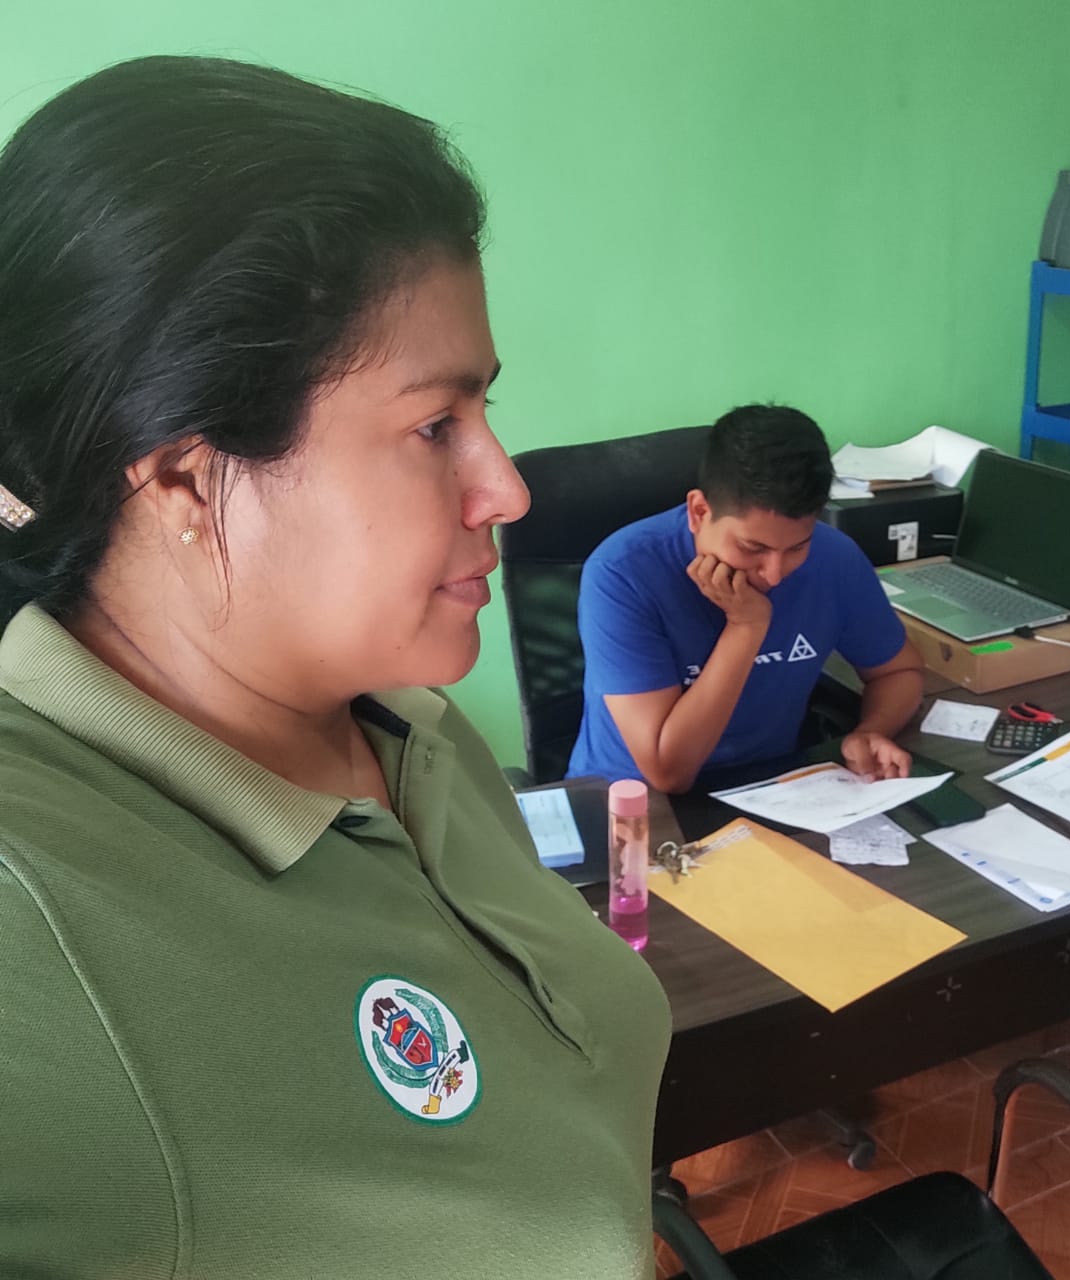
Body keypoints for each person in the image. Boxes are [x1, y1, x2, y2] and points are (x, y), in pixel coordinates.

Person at [0, 57, 670, 1279]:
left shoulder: (413, 723)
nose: (506, 487)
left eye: (484, 413)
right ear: (184, 476)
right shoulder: (33, 905)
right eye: (435, 425)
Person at [567, 405, 924, 792]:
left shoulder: (834, 558)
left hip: (771, 787)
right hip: (630, 800)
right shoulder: (622, 572)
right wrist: (746, 627)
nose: (774, 573)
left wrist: (872, 730)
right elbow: (668, 773)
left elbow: (898, 672)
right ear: (699, 512)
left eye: (797, 547)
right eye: (753, 548)